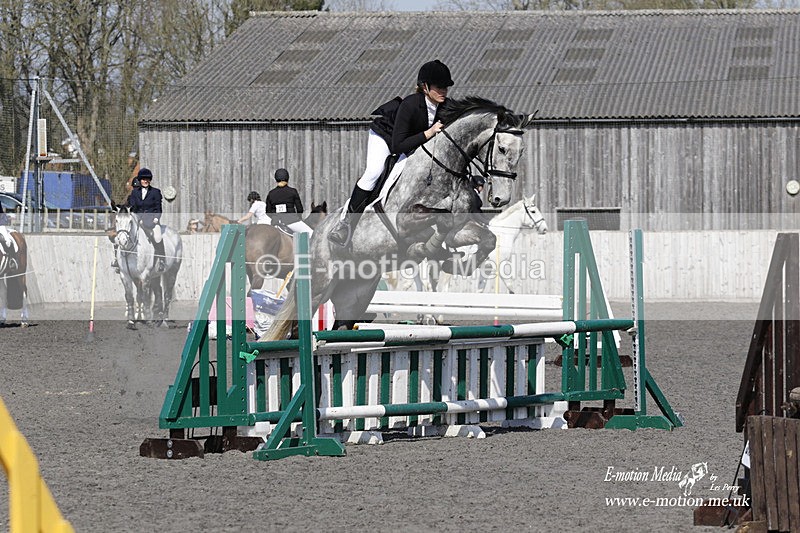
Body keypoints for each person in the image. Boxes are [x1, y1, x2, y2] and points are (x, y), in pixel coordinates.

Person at [328, 59, 454, 247]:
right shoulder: (410, 104)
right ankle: (345, 224)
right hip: (386, 138)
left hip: (411, 142)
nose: (444, 90)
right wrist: (429, 133)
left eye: (446, 87)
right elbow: (398, 146)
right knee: (374, 172)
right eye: (439, 87)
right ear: (425, 87)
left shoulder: (446, 105)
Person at [128, 167, 166, 272]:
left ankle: (162, 260)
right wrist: (136, 218)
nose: (146, 181)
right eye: (144, 179)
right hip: (139, 222)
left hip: (152, 222)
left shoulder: (155, 192)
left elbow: (158, 208)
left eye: (148, 179)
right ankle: (119, 260)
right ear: (140, 180)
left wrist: (156, 218)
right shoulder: (135, 193)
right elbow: (133, 207)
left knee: (158, 237)